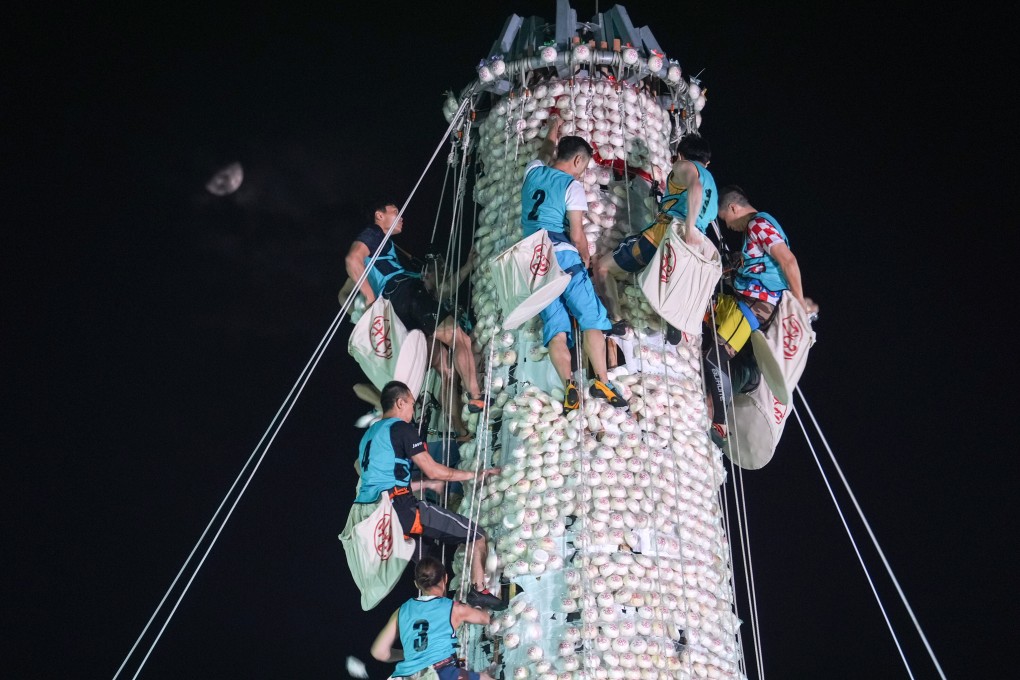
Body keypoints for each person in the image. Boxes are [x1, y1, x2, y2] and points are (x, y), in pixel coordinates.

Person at [354, 380, 503, 610]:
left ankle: (439, 614)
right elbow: (433, 468)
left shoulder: (369, 437)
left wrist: (426, 484)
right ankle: (478, 589)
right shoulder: (401, 428)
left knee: (432, 568)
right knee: (476, 535)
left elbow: (382, 482)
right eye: (412, 405)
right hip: (403, 510)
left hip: (380, 521)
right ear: (400, 402)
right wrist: (475, 474)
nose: (413, 412)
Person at [521, 116, 626, 410]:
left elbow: (544, 152)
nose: (583, 172)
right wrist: (586, 260)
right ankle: (602, 381)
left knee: (556, 326)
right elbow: (578, 235)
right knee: (592, 316)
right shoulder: (571, 186)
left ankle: (569, 385)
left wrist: (554, 128)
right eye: (585, 166)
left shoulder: (533, 171)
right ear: (578, 160)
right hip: (561, 253)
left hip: (532, 258)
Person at [345, 201, 489, 413]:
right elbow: (352, 259)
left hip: (396, 309)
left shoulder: (384, 247)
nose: (402, 216)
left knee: (442, 362)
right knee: (460, 339)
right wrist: (370, 301)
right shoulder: (374, 233)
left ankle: (422, 413)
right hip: (407, 293)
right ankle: (476, 397)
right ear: (379, 216)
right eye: (396, 212)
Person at [703, 185, 816, 444]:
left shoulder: (758, 224)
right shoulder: (752, 236)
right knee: (705, 314)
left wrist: (798, 304)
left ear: (733, 208)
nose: (728, 227)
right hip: (745, 300)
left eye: (725, 220)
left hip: (756, 304)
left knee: (715, 357)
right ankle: (720, 397)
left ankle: (718, 422)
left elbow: (788, 261)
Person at [593, 134, 719, 335]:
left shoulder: (683, 166)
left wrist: (689, 226)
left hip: (664, 236)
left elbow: (695, 186)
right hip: (692, 251)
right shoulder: (712, 183)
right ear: (708, 162)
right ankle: (672, 324)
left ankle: (616, 321)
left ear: (679, 155)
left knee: (602, 268)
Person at [371, 556, 495, 680]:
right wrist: (479, 602)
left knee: (461, 665)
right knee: (485, 677)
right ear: (445, 578)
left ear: (417, 584)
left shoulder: (401, 611)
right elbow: (485, 618)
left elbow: (379, 652)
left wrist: (408, 655)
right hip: (438, 673)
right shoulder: (454, 608)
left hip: (405, 676)